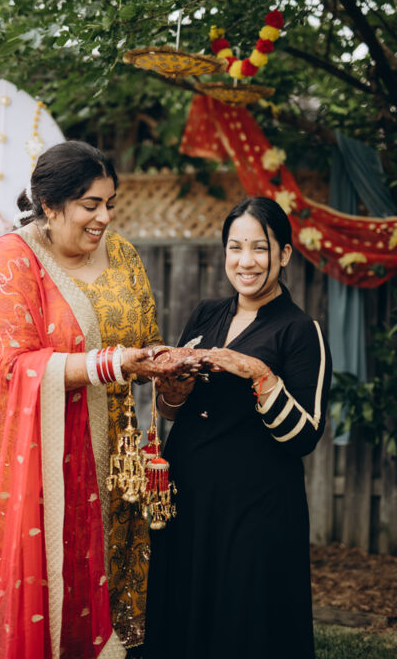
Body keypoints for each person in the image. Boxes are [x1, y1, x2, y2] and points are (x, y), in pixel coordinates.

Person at [0, 140, 200, 659]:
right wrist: (115, 363)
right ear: (50, 205)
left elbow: (144, 343)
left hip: (115, 466)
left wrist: (169, 371)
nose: (105, 217)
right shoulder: (9, 261)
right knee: (48, 592)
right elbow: (14, 366)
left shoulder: (122, 254)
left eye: (110, 203)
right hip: (40, 471)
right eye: (90, 204)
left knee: (110, 593)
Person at [144, 196, 332, 659]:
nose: (245, 261)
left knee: (241, 615)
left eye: (259, 248)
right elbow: (172, 411)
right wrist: (174, 388)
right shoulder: (206, 314)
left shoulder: (299, 330)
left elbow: (305, 436)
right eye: (235, 247)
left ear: (284, 254)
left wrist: (259, 374)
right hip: (189, 493)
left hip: (255, 502)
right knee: (184, 606)